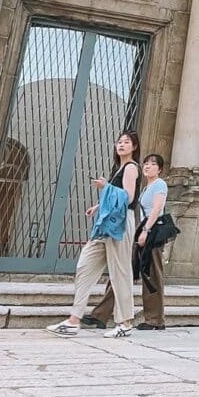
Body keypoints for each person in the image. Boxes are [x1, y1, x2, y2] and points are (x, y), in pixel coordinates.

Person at [46, 131, 140, 339]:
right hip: (108, 224)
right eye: (119, 142)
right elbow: (118, 195)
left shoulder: (131, 168)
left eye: (127, 142)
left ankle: (125, 322)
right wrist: (98, 206)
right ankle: (74, 320)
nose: (121, 145)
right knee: (85, 265)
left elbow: (129, 197)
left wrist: (105, 187)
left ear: (134, 147)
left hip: (122, 224)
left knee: (120, 271)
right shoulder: (120, 169)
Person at [82, 153, 169, 331]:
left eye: (152, 164)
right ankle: (101, 315)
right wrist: (98, 206)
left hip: (152, 232)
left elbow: (157, 208)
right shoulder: (145, 188)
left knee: (152, 275)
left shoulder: (160, 184)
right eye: (145, 163)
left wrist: (145, 231)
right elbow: (125, 199)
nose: (147, 166)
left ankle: (155, 319)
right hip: (140, 232)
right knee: (122, 270)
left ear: (159, 169)